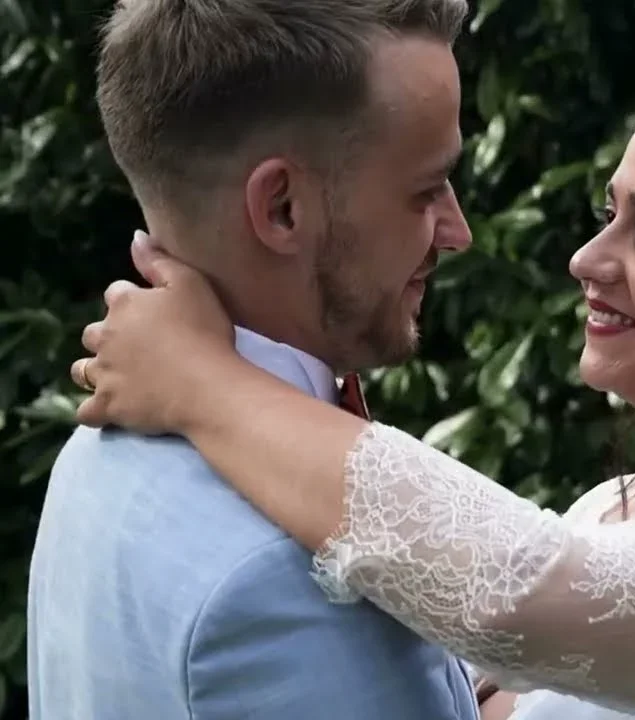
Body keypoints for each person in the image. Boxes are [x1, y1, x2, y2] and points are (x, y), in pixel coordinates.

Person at [71, 50, 635, 720]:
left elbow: (513, 592)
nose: (587, 260)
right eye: (606, 215)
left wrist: (204, 382)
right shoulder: (606, 513)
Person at [27, 1, 479, 719]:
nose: (458, 233)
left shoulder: (91, 456)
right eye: (425, 191)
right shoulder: (287, 573)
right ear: (282, 209)